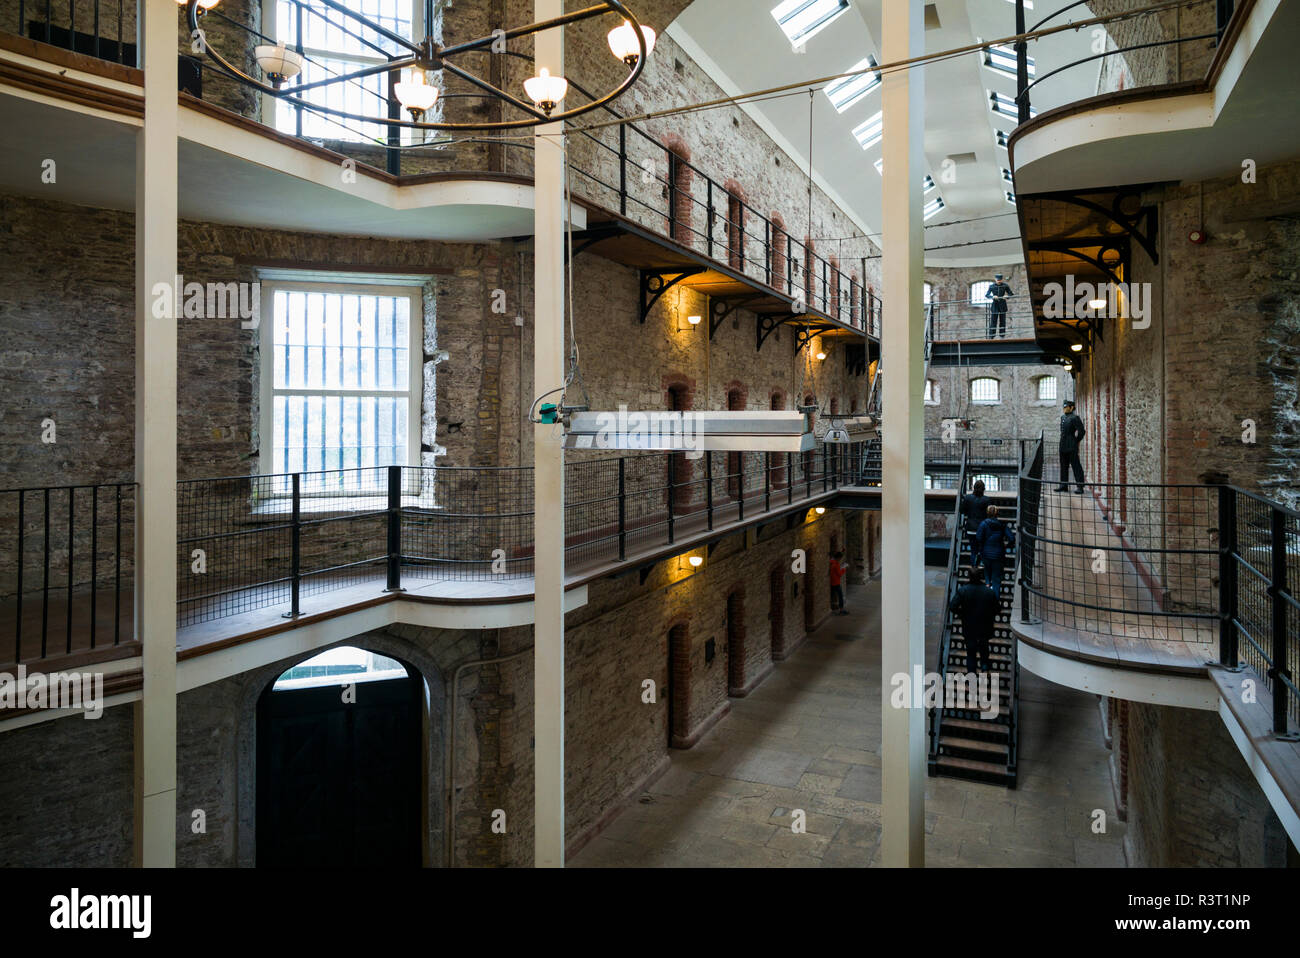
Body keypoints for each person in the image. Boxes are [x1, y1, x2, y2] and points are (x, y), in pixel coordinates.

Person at [952, 566, 998, 675]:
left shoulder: (963, 591)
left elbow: (952, 606)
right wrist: (988, 614)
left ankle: (971, 675)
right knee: (984, 649)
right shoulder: (989, 592)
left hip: (969, 627)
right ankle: (984, 667)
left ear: (969, 576)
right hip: (984, 626)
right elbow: (997, 609)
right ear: (981, 576)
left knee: (971, 653)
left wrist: (962, 614)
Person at [975, 504, 1015, 598]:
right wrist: (1006, 546)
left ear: (987, 513)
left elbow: (978, 538)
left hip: (986, 554)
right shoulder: (1002, 525)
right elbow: (1012, 539)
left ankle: (987, 587)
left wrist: (982, 548)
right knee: (996, 580)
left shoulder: (983, 524)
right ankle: (994, 603)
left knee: (987, 577)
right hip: (998, 555)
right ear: (997, 513)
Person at [1056, 398, 1087, 493]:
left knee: (1076, 465)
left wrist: (1076, 440)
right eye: (1064, 407)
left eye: (1066, 407)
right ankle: (1063, 485)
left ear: (1071, 407)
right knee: (1063, 466)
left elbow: (1082, 431)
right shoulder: (1063, 417)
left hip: (1071, 445)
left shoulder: (1075, 418)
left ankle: (1080, 486)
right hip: (1063, 445)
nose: (1064, 408)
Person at [960, 479, 991, 569]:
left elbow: (962, 511)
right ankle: (981, 567)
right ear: (984, 489)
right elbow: (989, 514)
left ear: (973, 488)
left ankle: (973, 568)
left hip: (970, 528)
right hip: (982, 529)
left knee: (973, 550)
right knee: (982, 549)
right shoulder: (986, 500)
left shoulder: (967, 498)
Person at [984, 273, 1014, 338]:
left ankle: (1002, 335)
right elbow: (987, 295)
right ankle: (991, 336)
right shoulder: (991, 286)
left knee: (1003, 321)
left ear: (1002, 279)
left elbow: (1011, 293)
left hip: (1003, 305)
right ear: (995, 279)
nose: (999, 281)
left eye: (1000, 280)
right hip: (995, 305)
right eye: (998, 280)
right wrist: (992, 296)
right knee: (993, 321)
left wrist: (1007, 296)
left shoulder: (1005, 285)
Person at [829, 551, 849, 616]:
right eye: (840, 558)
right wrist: (844, 568)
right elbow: (839, 574)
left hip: (831, 582)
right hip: (836, 582)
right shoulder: (836, 564)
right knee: (840, 596)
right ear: (838, 557)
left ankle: (831, 607)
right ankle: (841, 610)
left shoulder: (831, 562)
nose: (840, 560)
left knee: (832, 596)